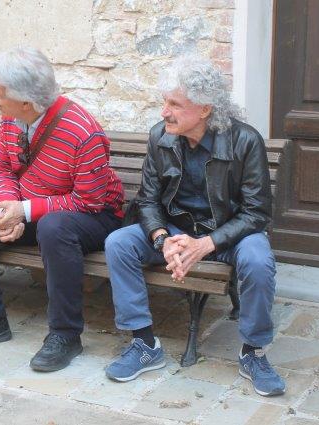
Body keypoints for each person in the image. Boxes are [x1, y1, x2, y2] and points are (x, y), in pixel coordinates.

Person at [103, 55, 286, 396]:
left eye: (175, 104)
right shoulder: (160, 137)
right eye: (164, 102)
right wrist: (162, 240)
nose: (164, 112)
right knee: (118, 243)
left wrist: (206, 244)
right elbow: (147, 200)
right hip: (175, 232)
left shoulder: (245, 141)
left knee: (259, 260)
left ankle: (254, 352)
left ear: (205, 109)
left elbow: (256, 213)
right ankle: (144, 344)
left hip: (230, 235)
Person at [0, 47, 124, 372]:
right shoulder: (13, 118)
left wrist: (25, 210)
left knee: (54, 227)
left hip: (93, 217)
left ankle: (65, 335)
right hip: (33, 205)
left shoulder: (83, 132)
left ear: (26, 102)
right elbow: (1, 168)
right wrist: (9, 207)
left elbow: (88, 201)